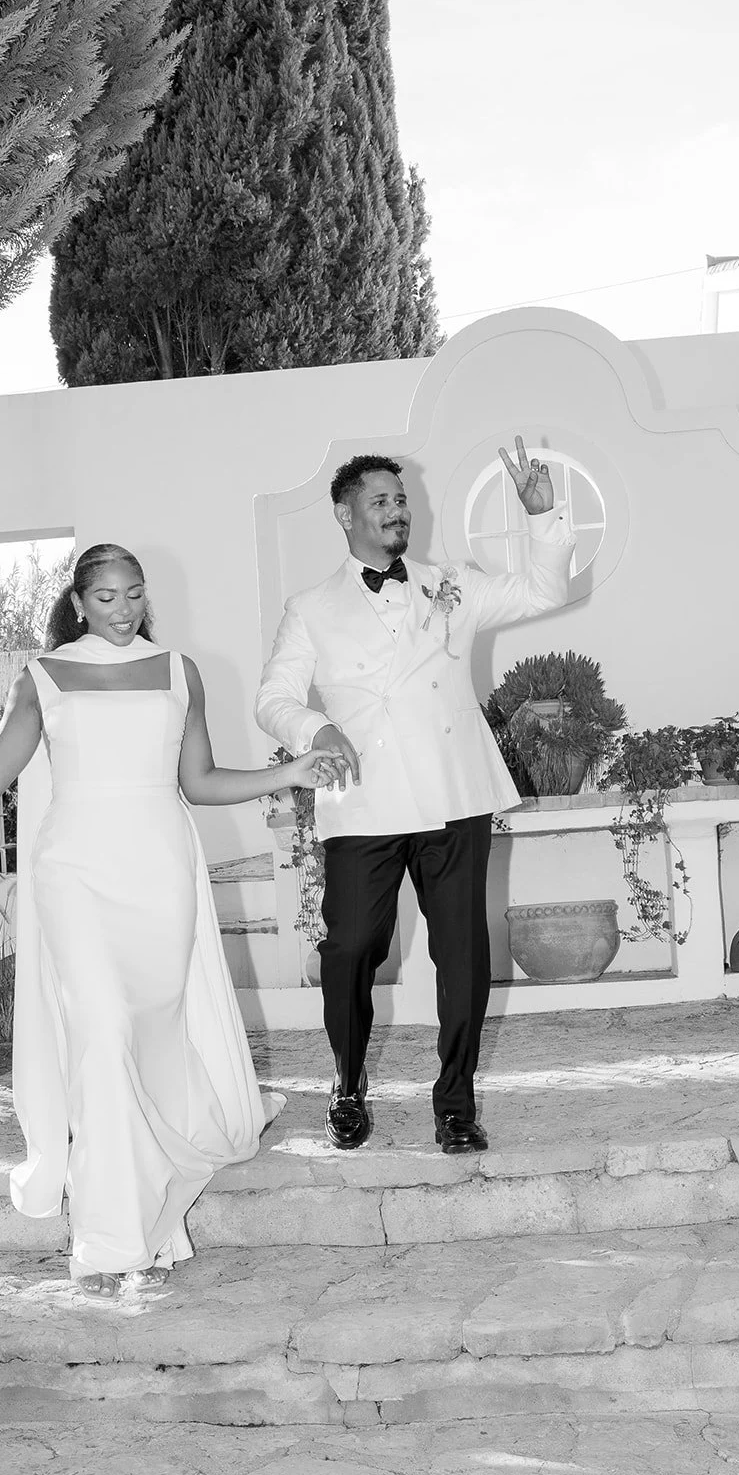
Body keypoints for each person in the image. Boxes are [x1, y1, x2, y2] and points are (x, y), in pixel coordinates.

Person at [0, 544, 340, 1301]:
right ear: (78, 600)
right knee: (99, 1032)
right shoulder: (42, 677)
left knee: (153, 1034)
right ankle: (115, 1237)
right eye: (106, 597)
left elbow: (197, 783)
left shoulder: (178, 671)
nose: (124, 609)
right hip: (75, 871)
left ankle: (153, 1173)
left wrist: (288, 772)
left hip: (158, 870)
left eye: (133, 593)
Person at [255, 439, 575, 1154]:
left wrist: (541, 517)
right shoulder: (310, 607)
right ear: (345, 515)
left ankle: (455, 1104)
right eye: (381, 500)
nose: (396, 510)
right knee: (350, 948)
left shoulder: (447, 582)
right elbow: (272, 698)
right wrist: (316, 727)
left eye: (401, 500)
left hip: (451, 794)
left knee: (461, 953)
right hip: (362, 798)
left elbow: (543, 592)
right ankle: (347, 1084)